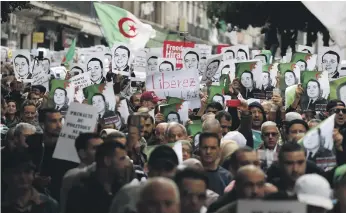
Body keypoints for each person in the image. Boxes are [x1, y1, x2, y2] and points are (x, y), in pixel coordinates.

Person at [109, 145, 179, 213]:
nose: (161, 173)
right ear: (148, 168)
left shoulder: (183, 193)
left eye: (167, 169)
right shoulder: (129, 194)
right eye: (157, 168)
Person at [65, 141, 128, 213]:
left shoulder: (120, 189)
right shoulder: (81, 192)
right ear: (107, 160)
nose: (126, 164)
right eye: (122, 159)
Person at [60, 133, 103, 213]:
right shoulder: (71, 174)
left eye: (103, 148)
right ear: (82, 153)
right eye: (95, 148)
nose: (102, 151)